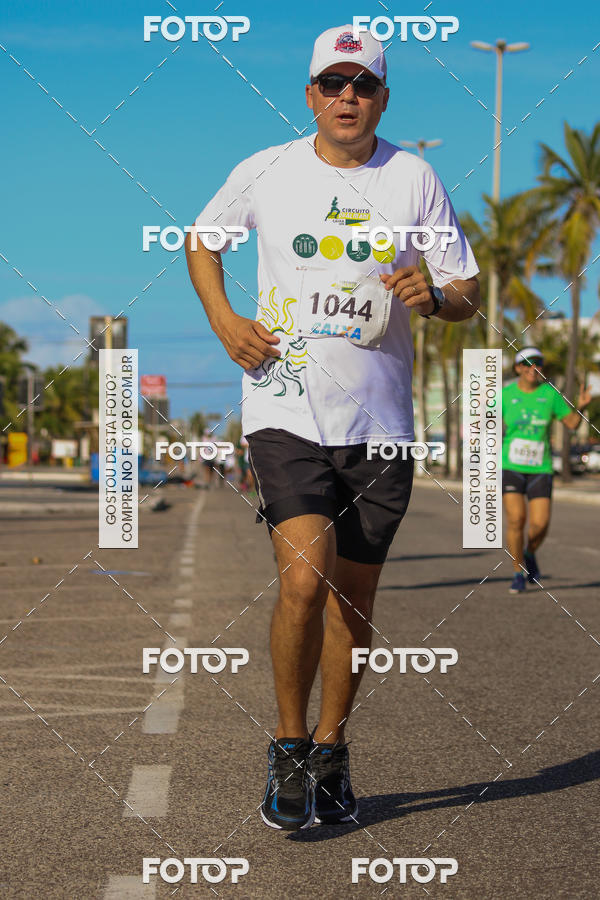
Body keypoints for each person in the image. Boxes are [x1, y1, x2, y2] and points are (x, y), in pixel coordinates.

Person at [185, 25, 480, 831]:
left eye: (363, 85)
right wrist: (223, 321)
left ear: (383, 98)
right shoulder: (268, 169)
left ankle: (332, 747)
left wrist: (437, 297)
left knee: (353, 602)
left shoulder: (414, 177)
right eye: (333, 83)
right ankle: (285, 744)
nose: (348, 97)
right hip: (284, 406)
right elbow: (201, 241)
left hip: (380, 424)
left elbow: (465, 290)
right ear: (310, 94)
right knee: (302, 581)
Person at [502, 347, 591, 594]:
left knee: (540, 525)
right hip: (511, 466)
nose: (534, 369)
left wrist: (581, 407)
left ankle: (529, 554)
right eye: (528, 364)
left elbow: (571, 423)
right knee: (516, 519)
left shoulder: (550, 394)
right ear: (518, 368)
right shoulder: (504, 395)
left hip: (540, 468)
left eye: (538, 364)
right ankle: (518, 572)